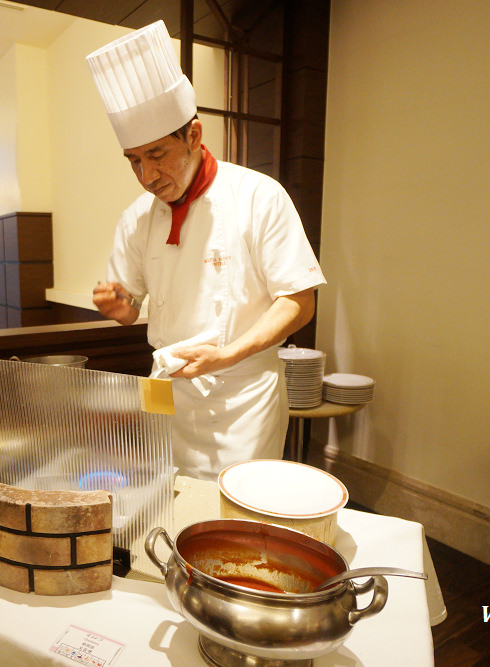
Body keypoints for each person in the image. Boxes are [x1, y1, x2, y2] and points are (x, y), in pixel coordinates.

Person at [86, 21, 326, 480]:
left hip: (243, 399)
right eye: (134, 160)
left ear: (193, 136)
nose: (147, 175)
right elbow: (131, 309)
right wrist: (118, 305)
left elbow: (299, 302)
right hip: (170, 396)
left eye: (157, 154)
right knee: (172, 511)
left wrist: (228, 354)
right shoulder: (137, 217)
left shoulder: (258, 195)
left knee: (239, 520)